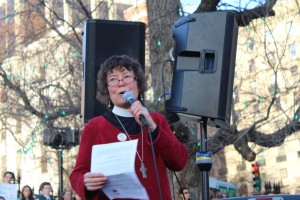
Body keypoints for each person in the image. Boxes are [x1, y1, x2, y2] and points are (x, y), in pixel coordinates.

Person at [70, 55, 189, 200]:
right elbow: (77, 174)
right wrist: (85, 182)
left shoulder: (157, 120)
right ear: (107, 90)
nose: (121, 83)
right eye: (113, 79)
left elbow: (180, 161)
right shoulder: (95, 127)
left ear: (138, 84)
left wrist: (153, 127)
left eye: (126, 76)